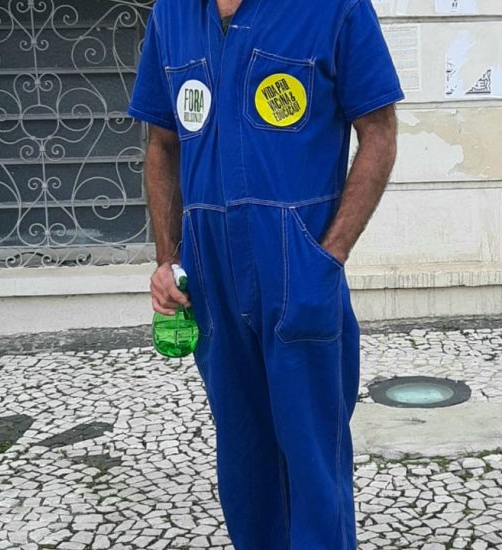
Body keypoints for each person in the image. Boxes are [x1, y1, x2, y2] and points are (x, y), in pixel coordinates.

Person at [129, 0, 402, 547]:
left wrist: (329, 255)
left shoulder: (334, 8)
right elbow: (162, 144)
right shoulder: (173, 15)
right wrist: (167, 259)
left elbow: (379, 132)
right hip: (212, 281)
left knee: (313, 459)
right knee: (244, 455)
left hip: (300, 275)